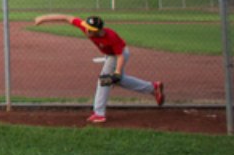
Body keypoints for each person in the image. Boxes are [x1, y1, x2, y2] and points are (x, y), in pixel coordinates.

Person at [32, 14, 165, 123]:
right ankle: (153, 88)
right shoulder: (86, 27)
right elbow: (66, 18)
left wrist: (117, 71)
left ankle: (99, 113)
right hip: (111, 55)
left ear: (97, 30)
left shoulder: (110, 36)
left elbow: (120, 56)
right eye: (87, 28)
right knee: (118, 81)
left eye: (90, 30)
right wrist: (43, 19)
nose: (87, 31)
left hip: (118, 55)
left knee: (104, 80)